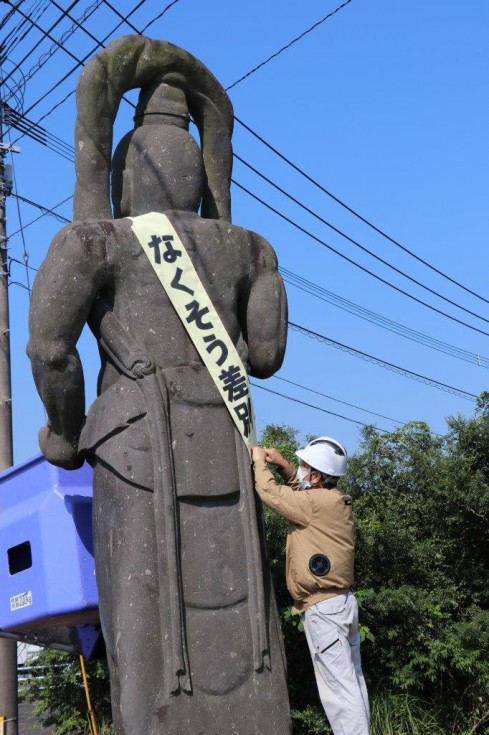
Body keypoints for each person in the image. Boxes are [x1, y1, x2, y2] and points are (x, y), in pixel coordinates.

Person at [27, 36, 292, 735]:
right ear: (201, 171)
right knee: (245, 614)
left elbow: (50, 349)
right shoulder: (251, 249)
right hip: (226, 453)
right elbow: (263, 356)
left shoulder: (93, 241)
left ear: (122, 173)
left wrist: (64, 430)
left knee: (145, 619)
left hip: (134, 449)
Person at [252, 436, 370, 735]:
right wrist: (283, 466)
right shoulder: (331, 500)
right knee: (352, 684)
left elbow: (270, 493)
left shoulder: (316, 504)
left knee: (340, 693)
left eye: (305, 467)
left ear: (317, 476)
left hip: (324, 610)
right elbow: (301, 491)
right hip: (340, 603)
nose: (301, 471)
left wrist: (257, 461)